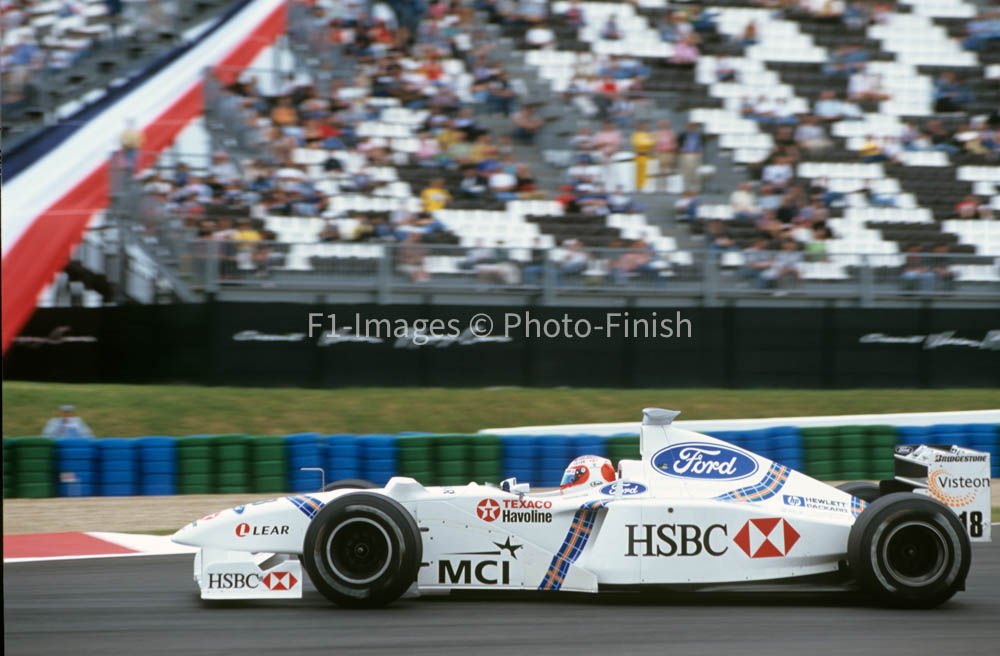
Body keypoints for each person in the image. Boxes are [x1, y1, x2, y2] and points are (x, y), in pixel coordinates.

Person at [631, 121, 655, 190]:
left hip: (649, 156)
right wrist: (646, 145)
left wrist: (646, 145)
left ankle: (649, 187)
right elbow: (638, 144)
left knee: (650, 171)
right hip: (640, 156)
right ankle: (640, 187)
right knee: (639, 172)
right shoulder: (636, 135)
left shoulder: (650, 135)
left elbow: (651, 144)